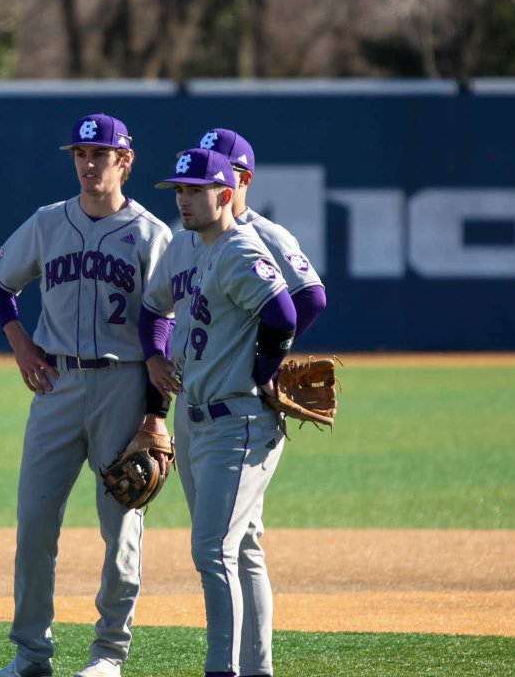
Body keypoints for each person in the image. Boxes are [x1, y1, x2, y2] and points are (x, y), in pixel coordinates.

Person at [0, 113, 173, 677]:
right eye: (81, 154)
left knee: (121, 527)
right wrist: (20, 343)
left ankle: (109, 653)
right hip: (56, 383)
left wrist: (156, 414)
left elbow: (165, 327)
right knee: (35, 522)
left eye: (100, 154)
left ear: (125, 161)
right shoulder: (47, 223)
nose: (89, 164)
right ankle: (30, 655)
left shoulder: (151, 234)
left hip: (124, 384)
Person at [140, 129, 326, 676]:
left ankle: (222, 671)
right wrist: (155, 364)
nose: (183, 198)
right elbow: (155, 309)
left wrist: (264, 370)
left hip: (238, 419)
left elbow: (292, 310)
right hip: (195, 418)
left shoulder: (248, 245)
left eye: (196, 189)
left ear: (229, 190)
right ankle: (256, 670)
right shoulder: (186, 245)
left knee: (212, 551)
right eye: (179, 189)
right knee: (238, 550)